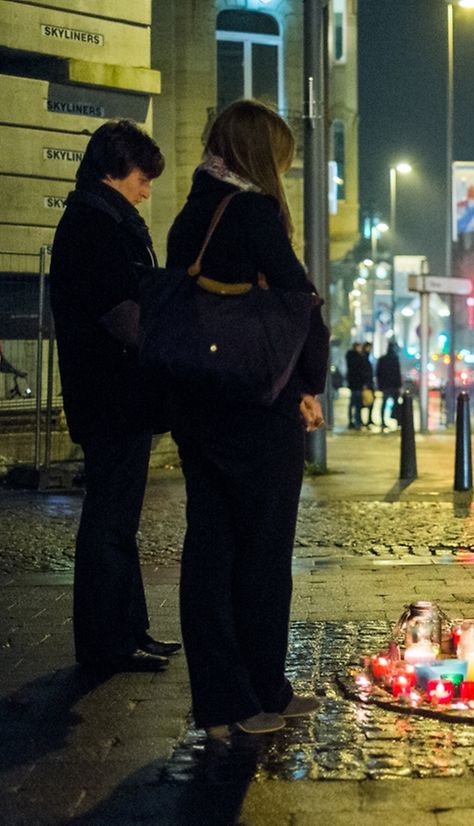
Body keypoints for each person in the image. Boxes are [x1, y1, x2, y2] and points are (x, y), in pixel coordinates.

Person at [165, 99, 328, 736]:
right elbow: (298, 298)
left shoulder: (191, 214)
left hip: (198, 402)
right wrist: (307, 385)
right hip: (257, 407)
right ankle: (263, 689)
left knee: (210, 549)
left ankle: (223, 704)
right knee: (262, 552)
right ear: (261, 155)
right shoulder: (254, 211)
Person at [48, 120, 181, 673]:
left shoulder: (102, 219)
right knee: (109, 521)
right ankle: (107, 643)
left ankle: (128, 632)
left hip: (116, 395)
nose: (147, 189)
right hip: (111, 396)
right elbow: (121, 313)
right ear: (114, 170)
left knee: (119, 519)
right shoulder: (93, 226)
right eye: (142, 177)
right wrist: (166, 339)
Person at [375, 340, 403, 430]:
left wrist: (380, 385)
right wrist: (399, 385)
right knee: (395, 404)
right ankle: (398, 421)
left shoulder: (382, 359)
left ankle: (383, 421)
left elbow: (378, 373)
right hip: (393, 385)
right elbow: (397, 373)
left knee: (384, 403)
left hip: (386, 385)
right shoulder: (394, 359)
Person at [345, 342, 367, 429]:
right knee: (357, 404)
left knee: (353, 403)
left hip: (354, 384)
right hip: (357, 384)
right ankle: (357, 421)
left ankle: (352, 421)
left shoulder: (351, 357)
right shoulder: (357, 357)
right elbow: (361, 371)